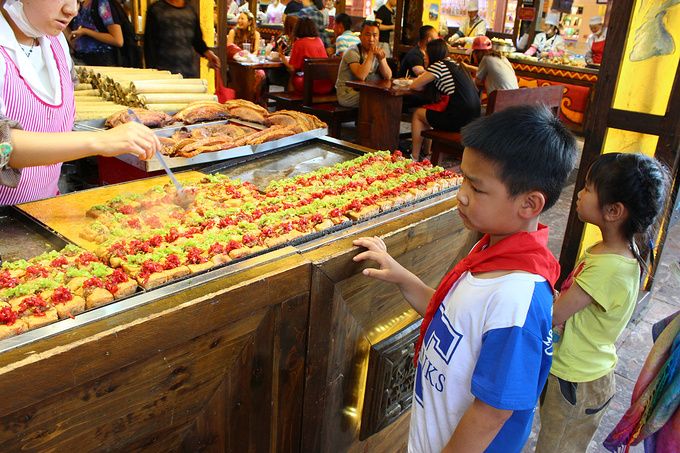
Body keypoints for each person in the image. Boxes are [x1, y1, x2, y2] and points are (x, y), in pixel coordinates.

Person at [353, 104, 578, 453]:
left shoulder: (516, 299)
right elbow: (453, 319)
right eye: (462, 177)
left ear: (529, 204)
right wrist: (400, 275)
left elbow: (492, 412)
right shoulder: (490, 251)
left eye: (476, 187)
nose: (461, 193)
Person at [536, 152, 669, 452]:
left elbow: (555, 314)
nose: (579, 195)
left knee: (556, 447)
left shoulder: (608, 268)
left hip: (576, 381)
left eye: (587, 189)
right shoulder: (613, 251)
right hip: (583, 374)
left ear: (613, 211)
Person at [0, 0, 159, 205]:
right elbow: (4, 145)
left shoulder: (56, 43)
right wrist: (100, 141)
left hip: (42, 208)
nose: (71, 10)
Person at [408, 39, 480, 161]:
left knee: (418, 114)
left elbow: (414, 85)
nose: (424, 58)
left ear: (433, 54)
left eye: (426, 54)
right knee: (428, 112)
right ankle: (426, 154)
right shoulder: (455, 64)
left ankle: (414, 157)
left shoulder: (439, 65)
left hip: (459, 118)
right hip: (472, 117)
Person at [144, 0, 220, 78]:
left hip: (189, 73)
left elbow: (197, 40)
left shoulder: (190, 10)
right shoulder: (156, 10)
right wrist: (152, 74)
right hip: (164, 75)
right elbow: (149, 46)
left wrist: (208, 54)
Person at [335, 20, 392, 107]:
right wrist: (371, 54)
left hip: (365, 91)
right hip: (347, 94)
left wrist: (381, 59)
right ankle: (368, 121)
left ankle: (375, 121)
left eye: (375, 35)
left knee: (387, 96)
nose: (371, 39)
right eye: (368, 35)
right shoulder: (352, 51)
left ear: (379, 37)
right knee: (378, 98)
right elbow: (361, 75)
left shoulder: (378, 50)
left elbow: (388, 76)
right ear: (360, 36)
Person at [279, 17, 332, 94]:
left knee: (291, 76)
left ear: (298, 29)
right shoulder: (319, 40)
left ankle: (291, 103)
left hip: (310, 84)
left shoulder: (299, 43)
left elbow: (292, 68)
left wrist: (282, 57)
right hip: (326, 84)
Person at [69, 0, 123, 66]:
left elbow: (118, 40)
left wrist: (86, 31)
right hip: (80, 58)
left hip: (102, 59)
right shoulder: (79, 4)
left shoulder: (102, 4)